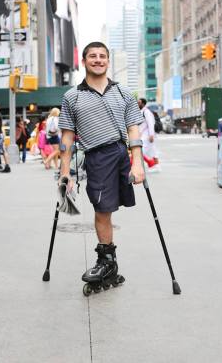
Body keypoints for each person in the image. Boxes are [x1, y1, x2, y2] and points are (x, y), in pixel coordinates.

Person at [58, 41, 145, 289]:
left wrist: (137, 164)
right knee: (101, 209)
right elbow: (66, 138)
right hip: (96, 156)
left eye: (102, 56)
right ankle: (106, 261)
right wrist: (65, 173)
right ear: (84, 61)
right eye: (92, 56)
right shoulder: (72, 97)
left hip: (120, 151)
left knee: (113, 207)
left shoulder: (124, 93)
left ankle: (110, 264)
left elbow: (133, 130)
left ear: (108, 61)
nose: (98, 60)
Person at [138, 98, 161, 172]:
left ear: (143, 104)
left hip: (147, 136)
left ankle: (140, 167)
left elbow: (151, 123)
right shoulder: (141, 111)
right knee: (153, 151)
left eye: (139, 103)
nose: (137, 104)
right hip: (145, 135)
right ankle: (156, 166)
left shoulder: (146, 112)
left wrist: (151, 135)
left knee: (141, 151)